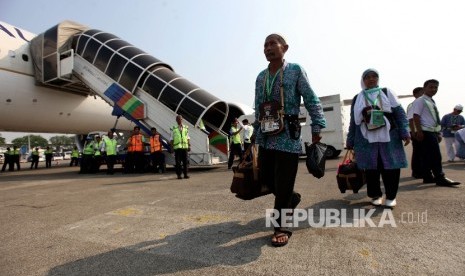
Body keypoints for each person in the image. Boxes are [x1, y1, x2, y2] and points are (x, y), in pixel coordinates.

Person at [253, 34, 326, 247]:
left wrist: (317, 125)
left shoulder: (295, 70)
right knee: (266, 178)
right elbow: (258, 106)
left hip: (288, 135)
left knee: (284, 182)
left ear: (284, 48)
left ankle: (281, 226)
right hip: (267, 136)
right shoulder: (260, 76)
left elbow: (311, 98)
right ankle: (291, 199)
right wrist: (256, 136)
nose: (268, 48)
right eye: (265, 45)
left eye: (272, 44)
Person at [347, 69, 411, 209]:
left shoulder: (387, 92)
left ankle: (391, 196)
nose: (371, 79)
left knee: (391, 167)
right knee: (371, 168)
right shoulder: (357, 98)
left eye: (374, 76)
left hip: (389, 136)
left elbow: (399, 113)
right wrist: (350, 140)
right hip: (365, 137)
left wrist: (405, 131)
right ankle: (375, 195)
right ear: (363, 80)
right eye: (367, 77)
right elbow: (353, 121)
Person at [410, 79, 460, 186]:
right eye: (431, 87)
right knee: (436, 156)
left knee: (427, 156)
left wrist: (437, 133)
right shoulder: (421, 100)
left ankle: (428, 177)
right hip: (425, 131)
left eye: (435, 87)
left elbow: (432, 118)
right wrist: (419, 131)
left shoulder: (430, 100)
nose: (433, 89)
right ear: (424, 88)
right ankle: (440, 177)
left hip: (431, 131)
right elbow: (415, 116)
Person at [406, 87, 424, 178]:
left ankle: (420, 170)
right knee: (418, 152)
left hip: (419, 131)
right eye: (422, 93)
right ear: (415, 94)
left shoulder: (422, 104)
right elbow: (410, 119)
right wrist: (413, 132)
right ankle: (417, 172)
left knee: (421, 152)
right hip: (416, 132)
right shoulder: (413, 105)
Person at [170, 115, 190, 179]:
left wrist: (189, 145)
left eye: (180, 119)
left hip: (185, 147)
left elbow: (188, 137)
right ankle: (179, 175)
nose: (179, 120)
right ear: (176, 120)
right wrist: (172, 147)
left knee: (185, 162)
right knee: (178, 162)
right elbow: (171, 139)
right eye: (178, 119)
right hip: (177, 148)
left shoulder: (186, 128)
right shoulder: (173, 128)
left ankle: (185, 174)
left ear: (182, 120)